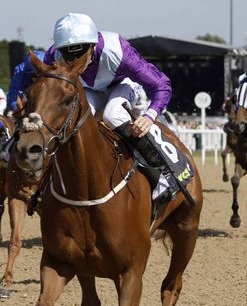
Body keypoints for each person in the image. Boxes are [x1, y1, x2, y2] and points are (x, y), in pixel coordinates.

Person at [39, 13, 190, 204]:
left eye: (79, 54)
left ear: (92, 45)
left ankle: (164, 173)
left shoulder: (117, 50)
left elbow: (161, 84)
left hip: (122, 85)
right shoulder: (53, 56)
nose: (74, 61)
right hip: (88, 91)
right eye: (68, 54)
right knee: (72, 118)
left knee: (113, 114)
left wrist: (150, 116)